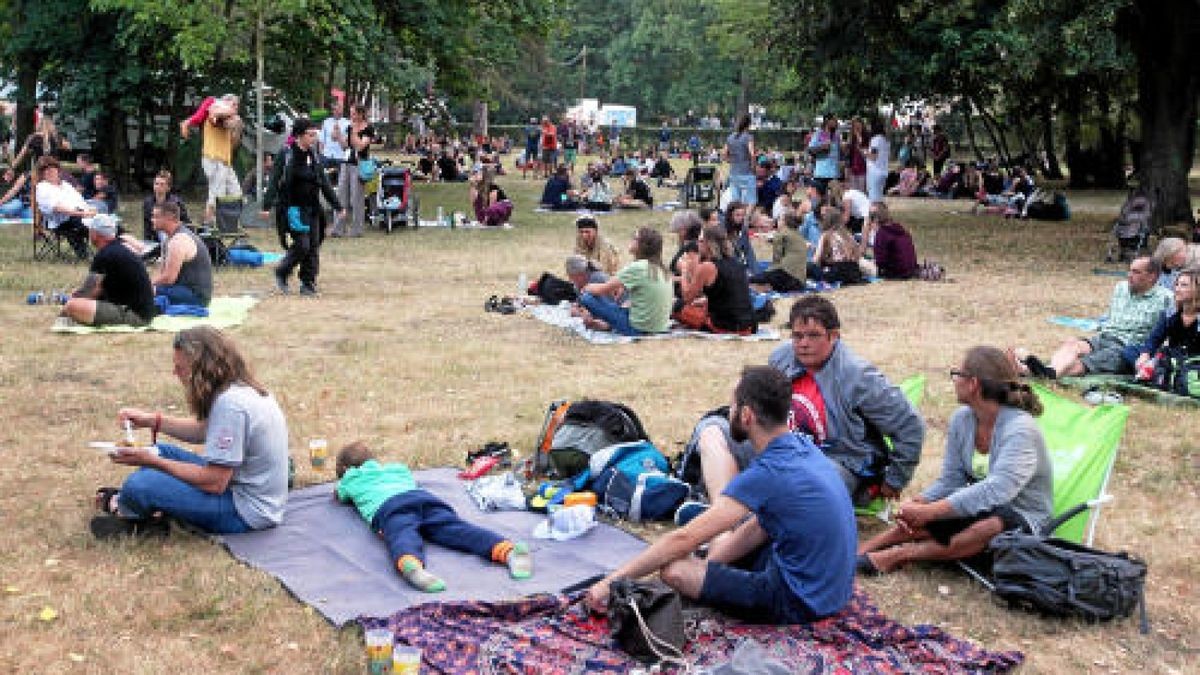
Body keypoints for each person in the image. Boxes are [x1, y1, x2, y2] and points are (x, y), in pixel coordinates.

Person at [585, 366, 856, 624]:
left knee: (675, 570)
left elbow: (684, 538)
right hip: (832, 592)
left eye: (733, 406)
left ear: (747, 415)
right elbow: (760, 527)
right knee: (737, 536)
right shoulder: (802, 448)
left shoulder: (769, 471)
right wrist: (712, 563)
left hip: (799, 601)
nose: (730, 412)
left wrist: (610, 583)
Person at [857, 346, 1052, 574]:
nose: (953, 381)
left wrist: (932, 511)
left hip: (1023, 519)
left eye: (956, 374)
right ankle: (864, 549)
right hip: (981, 507)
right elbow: (952, 479)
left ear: (974, 384)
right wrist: (920, 502)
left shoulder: (1020, 429)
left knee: (990, 523)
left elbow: (999, 490)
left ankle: (901, 555)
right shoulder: (962, 419)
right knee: (937, 513)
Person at [90, 327, 289, 538]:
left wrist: (154, 463)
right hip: (253, 495)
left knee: (141, 484)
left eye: (180, 367)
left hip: (246, 512)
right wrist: (151, 421)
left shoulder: (231, 405)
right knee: (161, 451)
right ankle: (139, 506)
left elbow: (215, 482)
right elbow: (204, 430)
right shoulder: (241, 390)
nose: (175, 373)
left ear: (201, 369)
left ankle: (127, 512)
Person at [768, 296, 926, 500]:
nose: (804, 344)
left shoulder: (858, 376)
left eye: (814, 336)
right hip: (787, 450)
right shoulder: (781, 359)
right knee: (717, 433)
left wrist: (895, 480)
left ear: (834, 336)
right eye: (797, 336)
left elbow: (910, 425)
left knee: (806, 483)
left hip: (842, 461)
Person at [334, 441, 532, 592]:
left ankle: (411, 564)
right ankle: (507, 550)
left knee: (402, 534)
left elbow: (339, 494)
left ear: (345, 469)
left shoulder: (351, 479)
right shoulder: (396, 469)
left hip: (391, 508)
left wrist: (343, 479)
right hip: (424, 499)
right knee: (458, 529)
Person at [1017, 257, 1173, 379]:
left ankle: (1036, 372)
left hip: (1126, 347)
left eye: (1136, 272)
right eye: (1130, 270)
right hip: (1104, 337)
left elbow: (1170, 329)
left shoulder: (1166, 298)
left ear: (1152, 277)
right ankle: (1048, 371)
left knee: (1086, 363)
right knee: (1072, 344)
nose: (1129, 275)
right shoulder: (1121, 288)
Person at [262, 118, 345, 296]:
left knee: (313, 246)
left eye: (315, 134)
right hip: (293, 209)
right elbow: (275, 181)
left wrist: (337, 206)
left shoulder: (314, 155)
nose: (314, 138)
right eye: (310, 134)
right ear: (299, 135)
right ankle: (282, 271)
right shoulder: (287, 154)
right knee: (302, 245)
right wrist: (267, 205)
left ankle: (308, 283)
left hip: (312, 208)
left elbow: (324, 182)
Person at [57, 215, 155, 328]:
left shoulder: (104, 255)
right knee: (77, 302)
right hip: (143, 311)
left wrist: (73, 300)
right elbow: (99, 288)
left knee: (72, 306)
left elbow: (90, 292)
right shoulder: (119, 248)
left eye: (90, 229)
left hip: (134, 316)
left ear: (95, 234)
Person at [578, 227, 673, 336]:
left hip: (637, 329)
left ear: (642, 245)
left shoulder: (637, 267)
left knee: (586, 297)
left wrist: (586, 287)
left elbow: (601, 289)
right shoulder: (662, 268)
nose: (631, 240)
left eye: (634, 238)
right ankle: (608, 324)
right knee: (620, 301)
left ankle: (606, 322)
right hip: (659, 326)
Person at [676, 225, 756, 333]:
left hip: (726, 325)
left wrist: (684, 270)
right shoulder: (737, 263)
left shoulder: (707, 267)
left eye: (700, 241)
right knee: (701, 305)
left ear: (708, 244)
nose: (697, 244)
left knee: (678, 307)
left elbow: (687, 297)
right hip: (749, 323)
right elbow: (731, 293)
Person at [1125, 267, 1200, 376]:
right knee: (1130, 351)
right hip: (1171, 358)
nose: (1177, 289)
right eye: (1177, 284)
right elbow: (1154, 340)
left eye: (1184, 285)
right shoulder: (1169, 313)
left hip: (1193, 361)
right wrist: (1145, 355)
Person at [181, 94, 243, 225]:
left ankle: (227, 224)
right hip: (213, 159)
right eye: (233, 104)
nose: (236, 108)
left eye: (237, 105)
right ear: (224, 102)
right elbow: (213, 115)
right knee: (216, 195)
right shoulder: (214, 110)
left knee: (236, 193)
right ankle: (209, 224)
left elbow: (234, 142)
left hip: (225, 162)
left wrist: (236, 127)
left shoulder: (228, 119)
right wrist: (232, 114)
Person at [151, 202, 213, 307]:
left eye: (156, 217)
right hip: (182, 290)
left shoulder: (179, 240)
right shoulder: (169, 238)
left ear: (169, 218)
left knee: (144, 292)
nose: (152, 220)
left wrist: (148, 285)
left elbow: (169, 278)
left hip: (196, 297)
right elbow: (163, 273)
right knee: (148, 290)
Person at [34, 156, 95, 260]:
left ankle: (118, 243)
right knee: (90, 225)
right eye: (45, 170)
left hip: (78, 216)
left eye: (52, 168)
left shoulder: (66, 185)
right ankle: (90, 253)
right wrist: (80, 214)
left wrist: (89, 210)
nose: (49, 171)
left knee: (103, 221)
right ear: (42, 173)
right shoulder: (42, 187)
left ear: (58, 170)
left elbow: (80, 201)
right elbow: (56, 207)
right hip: (60, 221)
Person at [332, 104, 376, 237]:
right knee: (341, 195)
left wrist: (354, 133)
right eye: (351, 113)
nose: (351, 116)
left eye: (353, 113)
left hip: (359, 164)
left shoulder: (368, 128)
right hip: (346, 163)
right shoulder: (350, 127)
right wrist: (339, 135)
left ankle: (357, 230)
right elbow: (345, 146)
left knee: (356, 198)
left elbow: (361, 146)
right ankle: (338, 229)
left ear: (361, 114)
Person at [750, 210, 808, 292]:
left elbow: (776, 262)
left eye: (780, 219)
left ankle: (763, 286)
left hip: (787, 277)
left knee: (754, 279)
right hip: (800, 282)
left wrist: (764, 274)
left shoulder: (781, 235)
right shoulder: (799, 235)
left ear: (784, 222)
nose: (777, 221)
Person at [809, 208, 864, 284]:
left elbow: (816, 259)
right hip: (854, 271)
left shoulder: (826, 235)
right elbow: (858, 255)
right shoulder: (847, 234)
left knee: (810, 267)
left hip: (838, 272)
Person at [865, 203, 918, 279]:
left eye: (870, 217)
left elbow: (880, 261)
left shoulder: (882, 233)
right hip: (910, 269)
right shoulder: (901, 229)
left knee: (860, 263)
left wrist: (865, 232)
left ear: (875, 219)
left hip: (894, 273)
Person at [141, 170, 190, 243]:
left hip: (174, 237)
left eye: (162, 184)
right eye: (156, 184)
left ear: (168, 187)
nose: (158, 187)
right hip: (156, 238)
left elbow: (186, 224)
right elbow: (147, 226)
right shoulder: (148, 203)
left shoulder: (176, 203)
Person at [724, 114, 756, 206]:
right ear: (749, 124)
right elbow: (752, 154)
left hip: (734, 172)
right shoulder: (748, 137)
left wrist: (731, 161)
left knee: (736, 201)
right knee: (751, 201)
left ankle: (736, 219)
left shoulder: (730, 137)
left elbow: (724, 154)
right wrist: (753, 168)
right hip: (746, 172)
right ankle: (746, 219)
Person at [808, 114, 841, 192]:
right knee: (820, 199)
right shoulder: (818, 134)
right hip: (821, 173)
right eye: (834, 120)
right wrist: (822, 147)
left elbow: (839, 153)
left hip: (834, 173)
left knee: (834, 199)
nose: (836, 123)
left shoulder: (837, 136)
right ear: (827, 121)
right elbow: (810, 149)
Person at [866, 118, 890, 203]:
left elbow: (873, 156)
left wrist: (864, 152)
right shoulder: (885, 139)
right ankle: (885, 216)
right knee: (879, 199)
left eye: (869, 125)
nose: (868, 127)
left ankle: (877, 216)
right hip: (883, 171)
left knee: (874, 200)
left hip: (875, 173)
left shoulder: (875, 139)